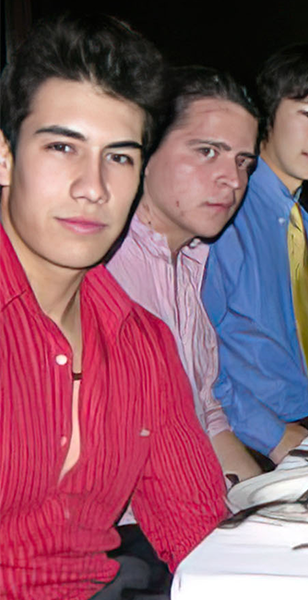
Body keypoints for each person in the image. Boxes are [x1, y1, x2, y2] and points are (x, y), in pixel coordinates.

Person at [0, 15, 225, 600]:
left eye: (119, 157)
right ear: (4, 157)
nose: (93, 187)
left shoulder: (141, 342)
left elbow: (199, 533)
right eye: (62, 147)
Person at [202, 44, 308, 470]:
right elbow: (192, 358)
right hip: (251, 439)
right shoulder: (223, 214)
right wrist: (272, 434)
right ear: (267, 115)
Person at [107, 67, 262, 483]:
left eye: (243, 161)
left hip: (189, 505)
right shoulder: (102, 264)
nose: (233, 179)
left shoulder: (192, 261)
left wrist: (272, 505)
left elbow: (208, 417)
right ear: (146, 148)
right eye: (208, 151)